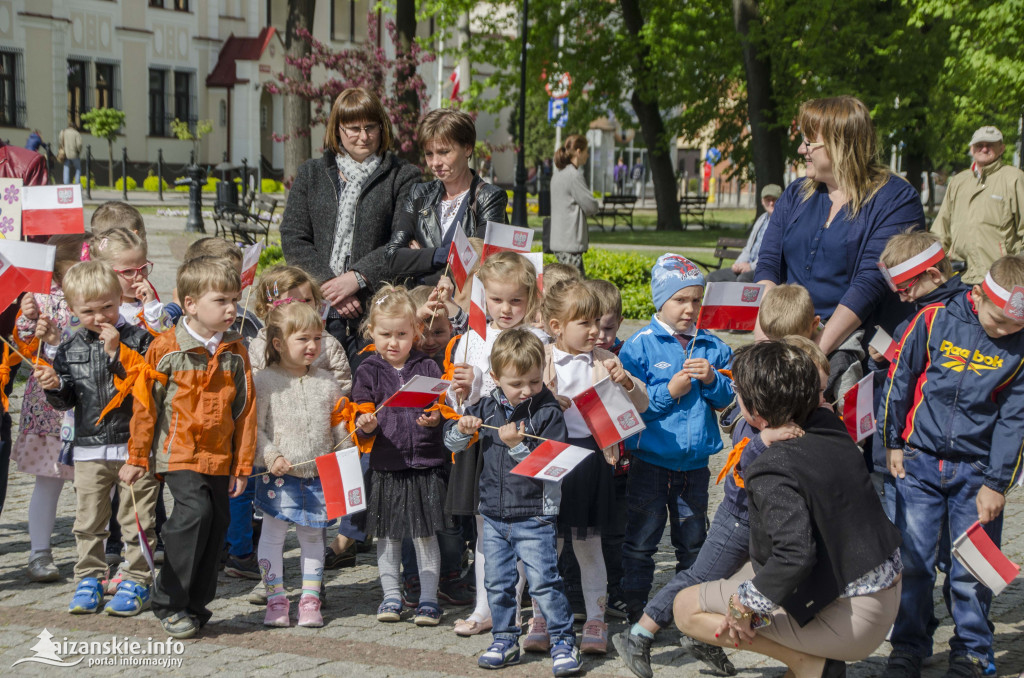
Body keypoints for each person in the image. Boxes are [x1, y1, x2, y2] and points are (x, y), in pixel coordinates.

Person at [674, 340, 902, 676]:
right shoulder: (827, 422)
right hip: (880, 587)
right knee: (744, 580)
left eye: (737, 391)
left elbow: (793, 555)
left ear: (759, 416)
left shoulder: (772, 466)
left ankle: (809, 663)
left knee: (686, 608)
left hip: (854, 618)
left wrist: (744, 607)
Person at [615, 337, 827, 678]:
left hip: (763, 521)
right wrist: (763, 441)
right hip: (740, 518)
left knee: (732, 581)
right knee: (701, 575)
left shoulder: (793, 417)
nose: (820, 399)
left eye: (821, 392)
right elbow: (746, 463)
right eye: (815, 391)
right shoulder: (756, 420)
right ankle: (639, 633)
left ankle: (707, 636)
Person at [878, 255, 1024, 678]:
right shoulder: (932, 319)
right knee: (915, 561)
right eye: (998, 323)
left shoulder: (1020, 345)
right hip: (919, 464)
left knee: (972, 570)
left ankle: (973, 651)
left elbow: (1016, 420)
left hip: (977, 475)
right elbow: (900, 380)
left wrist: (997, 485)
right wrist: (892, 443)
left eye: (1014, 328)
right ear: (977, 295)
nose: (1004, 333)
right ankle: (908, 645)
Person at [122, 257, 256, 640]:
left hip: (220, 455)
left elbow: (245, 410)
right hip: (178, 451)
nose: (231, 308)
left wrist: (242, 464)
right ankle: (168, 600)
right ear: (191, 304)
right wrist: (137, 456)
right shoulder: (165, 349)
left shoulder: (236, 351)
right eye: (221, 300)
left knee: (217, 525)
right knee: (193, 513)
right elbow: (146, 407)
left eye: (235, 299)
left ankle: (196, 606)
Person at [444, 329, 583, 676]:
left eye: (534, 381)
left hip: (535, 513)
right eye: (516, 383)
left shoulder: (548, 411)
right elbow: (451, 445)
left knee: (544, 582)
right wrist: (461, 430)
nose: (527, 390)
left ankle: (564, 641)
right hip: (492, 513)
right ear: (495, 378)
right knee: (497, 582)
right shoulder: (486, 405)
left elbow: (552, 467)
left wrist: (517, 446)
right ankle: (505, 639)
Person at [526, 280, 647, 655]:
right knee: (547, 544)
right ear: (556, 325)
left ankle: (596, 618)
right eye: (586, 323)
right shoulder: (541, 356)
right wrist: (546, 400)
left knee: (588, 543)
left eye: (598, 322)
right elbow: (519, 400)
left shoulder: (605, 360)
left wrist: (625, 381)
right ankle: (541, 616)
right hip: (551, 456)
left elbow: (640, 406)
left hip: (591, 458)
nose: (596, 331)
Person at [755, 95, 926, 356]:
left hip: (854, 347)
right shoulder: (796, 193)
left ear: (840, 144)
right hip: (786, 341)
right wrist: (764, 341)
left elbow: (870, 284)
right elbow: (768, 264)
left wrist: (813, 354)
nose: (802, 150)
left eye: (810, 142)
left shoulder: (895, 199)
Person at [33, 261, 158, 616]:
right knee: (89, 521)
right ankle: (90, 577)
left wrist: (118, 353)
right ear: (72, 310)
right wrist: (55, 386)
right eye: (88, 310)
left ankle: (136, 578)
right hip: (90, 448)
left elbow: (144, 387)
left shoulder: (139, 338)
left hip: (134, 446)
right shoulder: (71, 348)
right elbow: (68, 399)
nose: (99, 315)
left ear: (120, 299)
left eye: (107, 306)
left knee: (137, 518)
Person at [617, 254, 734, 622]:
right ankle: (634, 604)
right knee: (641, 541)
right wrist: (671, 389)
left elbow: (730, 399)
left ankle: (691, 609)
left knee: (694, 542)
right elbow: (633, 409)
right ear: (659, 301)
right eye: (680, 300)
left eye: (696, 300)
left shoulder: (712, 346)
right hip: (650, 463)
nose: (690, 309)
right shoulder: (639, 346)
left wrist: (714, 380)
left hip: (695, 467)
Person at [280, 87, 421, 362]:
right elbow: (294, 236)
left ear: (383, 128)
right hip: (315, 309)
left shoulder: (403, 176)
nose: (363, 136)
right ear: (337, 130)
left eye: (371, 127)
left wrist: (356, 278)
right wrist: (331, 285)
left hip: (374, 313)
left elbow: (403, 239)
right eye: (353, 128)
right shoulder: (312, 173)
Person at [444, 251, 541, 636]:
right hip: (483, 444)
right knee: (487, 530)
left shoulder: (538, 340)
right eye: (496, 299)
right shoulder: (470, 339)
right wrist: (462, 390)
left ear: (530, 299)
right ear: (483, 297)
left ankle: (512, 607)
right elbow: (458, 402)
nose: (505, 308)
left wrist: (484, 378)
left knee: (519, 527)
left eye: (515, 300)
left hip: (519, 442)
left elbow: (536, 392)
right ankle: (485, 608)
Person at [351, 285, 449, 627]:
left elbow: (440, 407)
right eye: (385, 334)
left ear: (415, 332)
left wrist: (436, 418)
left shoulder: (428, 366)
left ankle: (428, 599)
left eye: (402, 334)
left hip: (424, 463)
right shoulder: (368, 370)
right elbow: (359, 418)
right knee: (389, 535)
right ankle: (391, 596)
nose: (394, 342)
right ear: (371, 333)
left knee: (424, 535)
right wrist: (366, 424)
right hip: (387, 465)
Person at [254, 301, 346, 628]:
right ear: (278, 343)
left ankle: (310, 598)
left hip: (318, 477)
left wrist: (348, 451)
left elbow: (339, 429)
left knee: (313, 537)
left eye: (318, 339)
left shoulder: (326, 382)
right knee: (273, 534)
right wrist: (271, 455)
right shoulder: (264, 381)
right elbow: (255, 430)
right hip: (280, 476)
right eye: (303, 339)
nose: (313, 346)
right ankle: (276, 597)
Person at [12, 234, 87, 582]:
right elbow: (22, 341)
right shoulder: (43, 296)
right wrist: (27, 318)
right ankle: (39, 552)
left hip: (89, 399)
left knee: (96, 483)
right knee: (48, 481)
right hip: (50, 405)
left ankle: (101, 551)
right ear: (59, 270)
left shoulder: (95, 294)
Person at [386, 109, 507, 289]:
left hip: (460, 311)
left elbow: (481, 266)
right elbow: (392, 257)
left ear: (467, 148)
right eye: (429, 154)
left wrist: (420, 260)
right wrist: (442, 255)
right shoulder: (418, 194)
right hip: (418, 307)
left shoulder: (489, 197)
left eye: (444, 152)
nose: (435, 162)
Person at [931, 126, 1024, 285]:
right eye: (979, 145)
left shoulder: (1014, 178)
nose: (984, 148)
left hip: (1000, 280)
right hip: (959, 277)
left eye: (990, 145)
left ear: (1001, 148)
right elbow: (941, 229)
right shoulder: (958, 181)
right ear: (971, 148)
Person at [753, 284, 862, 410]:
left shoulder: (840, 360)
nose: (782, 350)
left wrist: (829, 416)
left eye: (791, 343)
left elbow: (850, 410)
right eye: (773, 342)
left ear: (814, 324)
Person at [90, 228, 172, 334]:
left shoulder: (148, 304)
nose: (139, 277)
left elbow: (167, 335)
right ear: (104, 273)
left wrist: (152, 306)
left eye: (143, 268)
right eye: (128, 271)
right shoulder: (98, 308)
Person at [707, 184, 781, 283]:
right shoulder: (762, 219)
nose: (771, 203)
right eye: (768, 199)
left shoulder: (782, 222)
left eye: (774, 199)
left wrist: (750, 266)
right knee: (712, 277)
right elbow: (748, 248)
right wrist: (738, 264)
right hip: (747, 266)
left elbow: (772, 254)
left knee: (743, 279)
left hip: (765, 269)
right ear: (762, 201)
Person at [550, 135, 599, 276]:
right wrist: (597, 204)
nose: (588, 155)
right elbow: (590, 206)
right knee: (575, 290)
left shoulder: (558, 174)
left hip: (559, 241)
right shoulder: (574, 175)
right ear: (578, 151)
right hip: (570, 243)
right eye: (586, 151)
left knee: (567, 288)